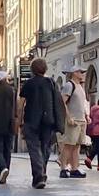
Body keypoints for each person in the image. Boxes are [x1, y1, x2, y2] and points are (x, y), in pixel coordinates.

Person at [17, 57, 64, 189]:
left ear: (32, 70)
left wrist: (18, 120)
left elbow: (21, 104)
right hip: (48, 119)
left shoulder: (28, 84)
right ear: (45, 69)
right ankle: (42, 172)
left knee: (34, 148)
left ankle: (39, 177)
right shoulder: (51, 82)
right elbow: (58, 102)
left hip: (32, 119)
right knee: (46, 147)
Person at [59, 68, 89, 179]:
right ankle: (63, 168)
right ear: (75, 73)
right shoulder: (69, 85)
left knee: (77, 146)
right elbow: (63, 102)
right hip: (73, 120)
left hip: (81, 120)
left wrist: (86, 116)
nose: (83, 74)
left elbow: (82, 103)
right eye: (81, 72)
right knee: (68, 145)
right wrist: (68, 117)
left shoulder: (80, 86)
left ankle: (74, 168)